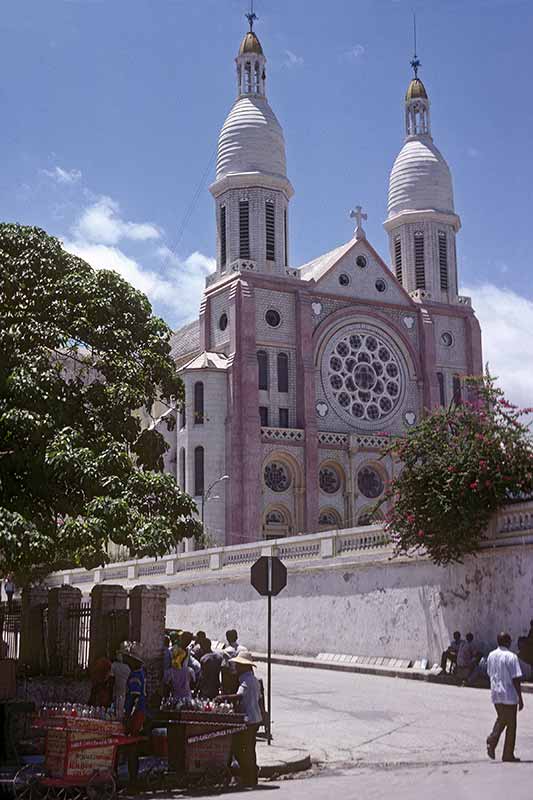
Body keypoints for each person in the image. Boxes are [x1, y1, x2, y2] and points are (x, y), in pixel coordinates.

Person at [216, 651, 262, 788]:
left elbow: (239, 696)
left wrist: (223, 698)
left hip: (249, 719)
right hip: (255, 718)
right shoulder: (253, 680)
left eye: (239, 665)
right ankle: (251, 776)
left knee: (239, 748)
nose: (236, 667)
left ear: (245, 666)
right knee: (249, 749)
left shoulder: (246, 680)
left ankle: (248, 775)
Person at [486, 632, 523, 762]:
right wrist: (520, 698)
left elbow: (489, 673)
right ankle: (506, 752)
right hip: (509, 695)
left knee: (502, 719)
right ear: (507, 642)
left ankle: (493, 740)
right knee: (511, 725)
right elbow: (516, 679)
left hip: (496, 694)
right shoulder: (511, 657)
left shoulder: (491, 656)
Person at [123, 643, 147, 785]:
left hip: (136, 713)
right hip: (139, 712)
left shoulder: (135, 676)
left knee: (132, 745)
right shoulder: (140, 674)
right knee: (133, 747)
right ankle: (133, 778)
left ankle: (133, 780)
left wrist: (130, 716)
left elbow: (135, 698)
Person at [111, 649, 130, 719]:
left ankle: (117, 718)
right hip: (123, 689)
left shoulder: (114, 665)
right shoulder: (127, 668)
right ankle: (119, 718)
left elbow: (111, 678)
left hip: (117, 687)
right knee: (121, 706)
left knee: (116, 705)